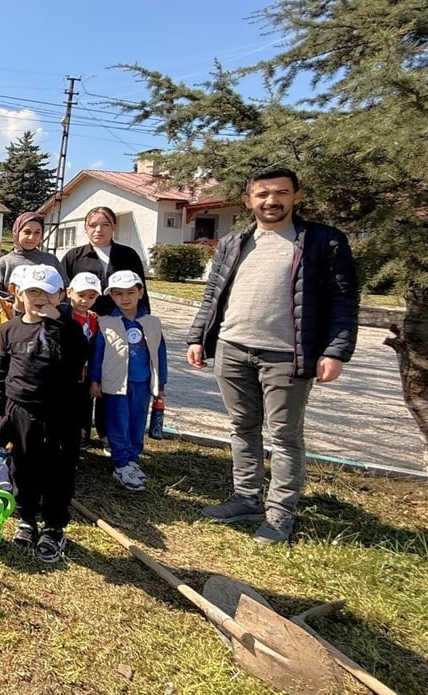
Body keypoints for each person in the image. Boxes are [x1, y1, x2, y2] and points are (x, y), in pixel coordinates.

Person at [188, 167, 358, 545]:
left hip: (287, 355)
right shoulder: (234, 242)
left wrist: (335, 350)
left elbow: (344, 300)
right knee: (242, 427)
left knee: (284, 435)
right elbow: (213, 294)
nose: (271, 201)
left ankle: (280, 513)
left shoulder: (321, 241)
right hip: (233, 348)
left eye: (280, 193)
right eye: (262, 194)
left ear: (297, 195)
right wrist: (198, 337)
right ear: (248, 200)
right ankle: (246, 498)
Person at [0, 265, 89, 564]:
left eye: (47, 293)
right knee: (23, 466)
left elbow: (79, 357)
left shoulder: (70, 329)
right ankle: (27, 518)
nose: (40, 298)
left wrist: (58, 321)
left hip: (60, 413)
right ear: (20, 294)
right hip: (19, 411)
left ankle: (54, 526)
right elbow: (1, 371)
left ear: (60, 295)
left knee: (59, 470)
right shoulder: (10, 329)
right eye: (33, 291)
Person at [91, 271, 166, 492]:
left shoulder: (152, 323)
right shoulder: (105, 322)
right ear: (110, 296)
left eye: (130, 292)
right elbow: (97, 353)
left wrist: (161, 384)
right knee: (117, 421)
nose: (125, 298)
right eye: (118, 293)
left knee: (137, 421)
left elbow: (160, 354)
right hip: (115, 383)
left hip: (142, 382)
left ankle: (133, 458)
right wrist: (94, 380)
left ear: (140, 292)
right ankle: (121, 462)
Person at [61, 206, 149, 316]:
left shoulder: (128, 255)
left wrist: (144, 319)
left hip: (121, 321)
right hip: (83, 321)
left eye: (105, 225)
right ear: (85, 228)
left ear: (114, 227)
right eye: (93, 225)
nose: (98, 230)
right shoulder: (73, 256)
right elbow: (63, 291)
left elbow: (140, 290)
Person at [67, 272, 104, 448]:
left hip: (87, 373)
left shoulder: (95, 319)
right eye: (81, 295)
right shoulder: (62, 316)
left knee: (85, 406)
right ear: (69, 292)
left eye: (91, 296)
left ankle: (82, 440)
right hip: (67, 373)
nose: (85, 301)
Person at [0, 212, 65, 296]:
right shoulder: (5, 262)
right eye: (27, 232)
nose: (31, 237)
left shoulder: (51, 260)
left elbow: (64, 289)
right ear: (17, 232)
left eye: (37, 232)